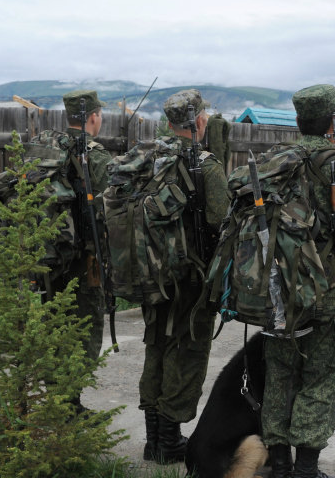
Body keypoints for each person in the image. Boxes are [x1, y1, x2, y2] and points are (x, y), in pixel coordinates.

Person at [261, 84, 335, 478]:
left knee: (279, 376)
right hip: (327, 294)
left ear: (298, 121)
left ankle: (279, 466)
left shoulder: (275, 163)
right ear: (334, 120)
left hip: (277, 292)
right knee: (322, 379)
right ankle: (306, 470)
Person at [137, 89, 230, 464]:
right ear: (201, 122)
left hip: (152, 275)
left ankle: (153, 438)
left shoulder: (149, 158)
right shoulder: (205, 166)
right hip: (191, 279)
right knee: (187, 354)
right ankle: (171, 439)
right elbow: (221, 220)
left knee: (157, 348)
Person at [41, 90, 111, 410]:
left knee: (55, 321)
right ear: (93, 117)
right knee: (85, 327)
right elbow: (110, 212)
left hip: (51, 256)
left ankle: (59, 399)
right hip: (84, 259)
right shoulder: (96, 156)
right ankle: (69, 406)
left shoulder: (46, 147)